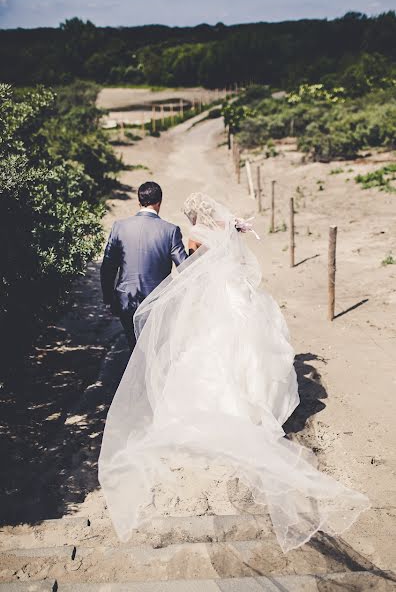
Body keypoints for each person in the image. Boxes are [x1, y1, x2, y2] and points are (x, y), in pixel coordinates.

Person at [99, 192, 369, 552]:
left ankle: (214, 412)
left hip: (210, 302)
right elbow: (238, 266)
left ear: (194, 214)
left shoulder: (194, 234)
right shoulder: (226, 231)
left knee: (204, 353)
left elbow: (191, 269)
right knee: (242, 351)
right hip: (234, 297)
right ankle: (251, 409)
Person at [100, 181, 188, 350]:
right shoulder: (170, 230)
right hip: (157, 303)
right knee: (155, 351)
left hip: (126, 300)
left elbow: (108, 267)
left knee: (135, 349)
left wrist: (108, 300)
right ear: (159, 202)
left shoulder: (119, 227)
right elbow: (185, 267)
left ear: (138, 202)